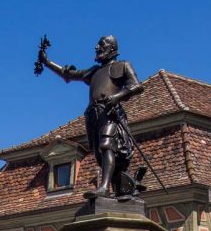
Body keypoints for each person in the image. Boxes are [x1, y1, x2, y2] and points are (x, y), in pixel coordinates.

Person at [38, 35, 146, 197]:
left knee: (106, 145)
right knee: (98, 154)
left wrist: (116, 97)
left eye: (101, 44)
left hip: (110, 112)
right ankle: (119, 186)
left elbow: (136, 86)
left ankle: (104, 188)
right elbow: (69, 74)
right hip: (93, 115)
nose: (96, 47)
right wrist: (47, 62)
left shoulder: (122, 65)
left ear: (112, 48)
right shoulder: (94, 71)